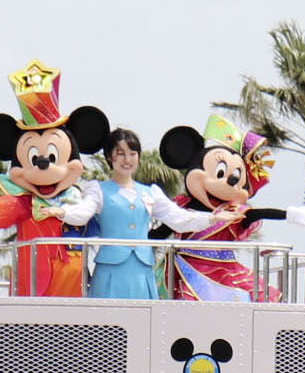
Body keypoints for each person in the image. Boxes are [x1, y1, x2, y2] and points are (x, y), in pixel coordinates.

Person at [81, 128, 215, 299]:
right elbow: (82, 212)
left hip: (141, 271)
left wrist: (212, 218)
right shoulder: (98, 190)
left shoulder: (151, 192)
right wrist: (62, 212)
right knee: (105, 321)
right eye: (120, 153)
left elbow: (178, 218)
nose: (127, 159)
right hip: (110, 270)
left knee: (142, 320)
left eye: (132, 153)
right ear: (109, 156)